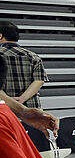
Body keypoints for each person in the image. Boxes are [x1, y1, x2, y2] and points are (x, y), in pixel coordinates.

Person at [0, 20, 49, 151]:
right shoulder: (33, 56)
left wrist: (13, 102)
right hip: (34, 115)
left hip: (7, 115)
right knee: (37, 154)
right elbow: (39, 81)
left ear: (0, 36)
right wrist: (22, 99)